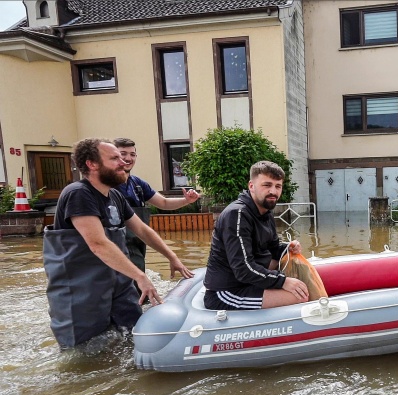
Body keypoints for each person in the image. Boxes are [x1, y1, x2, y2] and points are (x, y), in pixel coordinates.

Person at [43, 138, 194, 348]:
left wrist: (173, 257)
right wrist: (141, 276)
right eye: (115, 158)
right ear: (92, 164)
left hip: (118, 287)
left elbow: (142, 229)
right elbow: (98, 244)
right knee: (85, 355)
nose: (124, 162)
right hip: (81, 293)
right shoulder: (78, 194)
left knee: (133, 338)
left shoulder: (115, 195)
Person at [204, 160, 309, 310]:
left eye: (278, 186)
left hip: (249, 281)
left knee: (292, 267)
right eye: (267, 185)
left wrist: (288, 248)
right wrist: (283, 282)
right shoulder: (237, 215)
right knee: (299, 296)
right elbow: (243, 269)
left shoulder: (265, 212)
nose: (273, 191)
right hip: (227, 290)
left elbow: (273, 250)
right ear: (251, 186)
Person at [113, 138, 200, 273]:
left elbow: (163, 203)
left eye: (132, 154)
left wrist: (186, 200)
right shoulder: (105, 185)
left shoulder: (137, 184)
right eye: (123, 153)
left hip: (137, 248)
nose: (128, 158)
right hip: (114, 251)